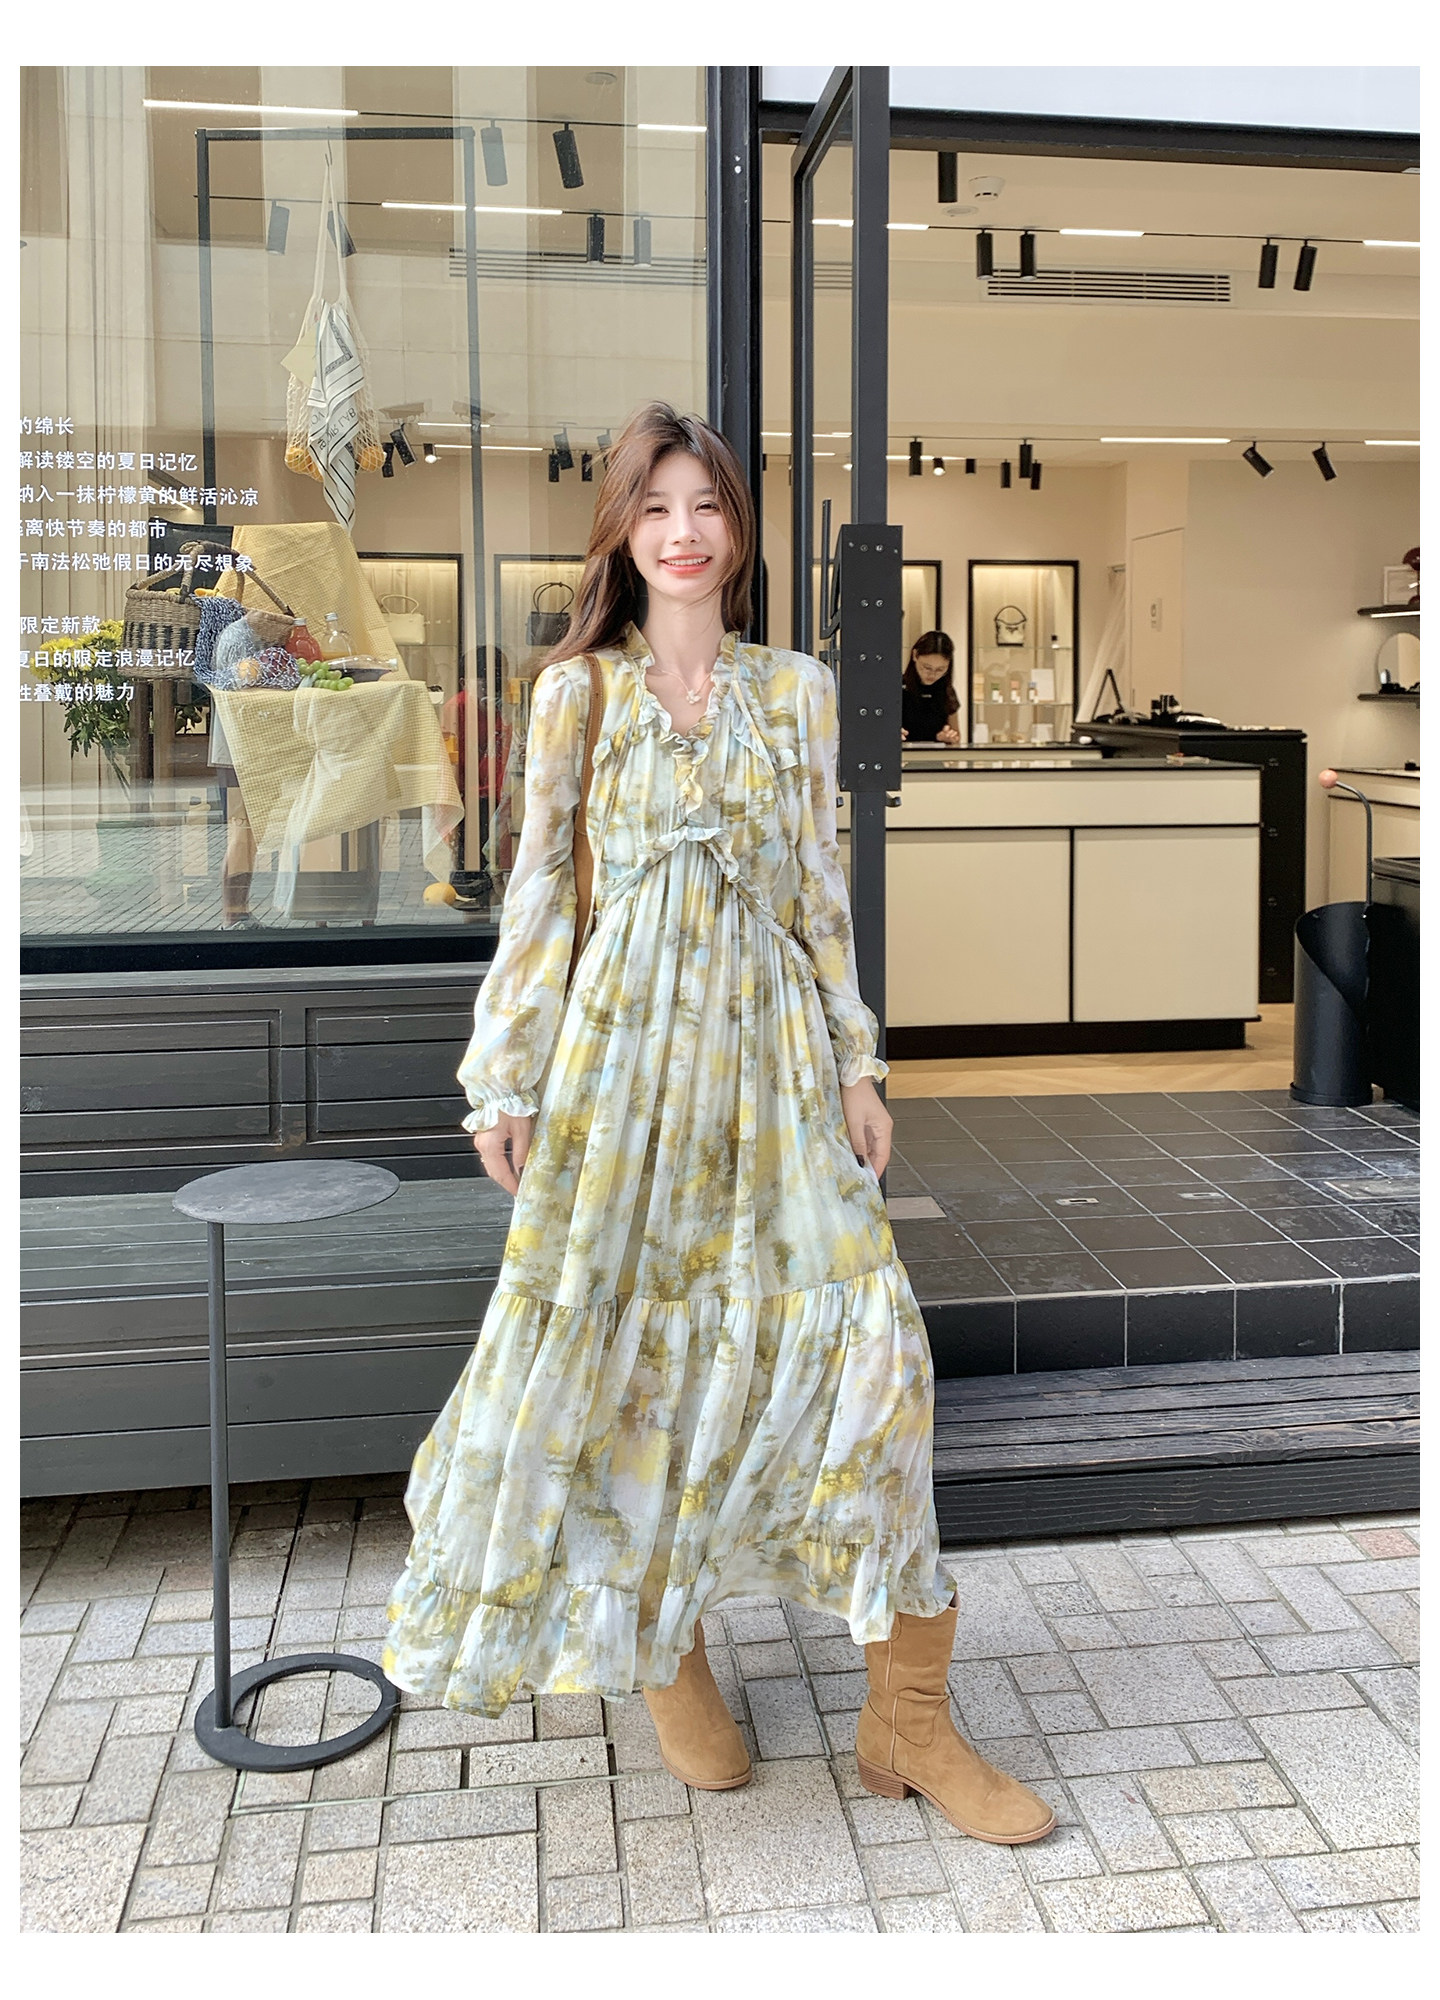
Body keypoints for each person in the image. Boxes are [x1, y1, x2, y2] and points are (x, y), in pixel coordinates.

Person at [382, 402, 1054, 1845]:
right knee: (635, 1369)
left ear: (738, 530)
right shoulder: (576, 696)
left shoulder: (797, 691)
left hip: (773, 1064)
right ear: (621, 533)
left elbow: (818, 890)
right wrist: (506, 1075)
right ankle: (662, 1641)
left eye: (706, 507)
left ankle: (909, 1719)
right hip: (622, 1081)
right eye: (656, 508)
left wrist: (857, 1063)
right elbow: (538, 898)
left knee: (881, 1353)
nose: (683, 533)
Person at [901, 629, 962, 745]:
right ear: (915, 655)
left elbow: (956, 738)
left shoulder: (947, 691)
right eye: (927, 667)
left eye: (940, 669)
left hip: (935, 755)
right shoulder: (896, 688)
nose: (932, 675)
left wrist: (948, 738)